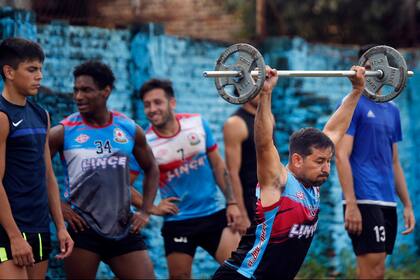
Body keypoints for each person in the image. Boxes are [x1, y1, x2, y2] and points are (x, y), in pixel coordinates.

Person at [212, 65, 367, 279]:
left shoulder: (312, 182)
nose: (326, 168)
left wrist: (356, 91)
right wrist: (265, 93)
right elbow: (264, 144)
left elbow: (334, 130)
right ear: (297, 160)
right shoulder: (279, 183)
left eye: (329, 161)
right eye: (320, 161)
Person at [48, 60, 159, 279]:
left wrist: (145, 211)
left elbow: (152, 168)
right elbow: (34, 170)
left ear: (105, 92)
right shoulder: (63, 132)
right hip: (83, 230)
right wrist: (59, 206)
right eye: (76, 90)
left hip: (123, 227)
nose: (78, 96)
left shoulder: (127, 128)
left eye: (86, 90)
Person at [139, 78, 242, 279]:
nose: (152, 109)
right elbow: (124, 182)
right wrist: (150, 207)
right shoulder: (146, 142)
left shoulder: (196, 124)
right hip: (179, 221)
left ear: (172, 103)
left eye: (157, 102)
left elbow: (218, 166)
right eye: (147, 105)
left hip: (213, 214)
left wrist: (232, 202)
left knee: (241, 271)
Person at [335, 45, 415, 279]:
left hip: (387, 199)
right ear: (361, 68)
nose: (373, 72)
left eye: (377, 67)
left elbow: (394, 162)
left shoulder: (392, 110)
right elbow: (341, 155)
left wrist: (407, 205)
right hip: (363, 198)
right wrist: (351, 203)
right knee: (371, 267)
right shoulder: (353, 103)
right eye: (368, 67)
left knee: (379, 270)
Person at [0, 37, 74, 279]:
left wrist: (60, 226)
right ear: (9, 72)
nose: (39, 76)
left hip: (39, 226)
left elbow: (48, 175)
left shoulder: (41, 115)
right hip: (8, 228)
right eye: (32, 69)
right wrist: (13, 235)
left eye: (40, 69)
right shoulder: (2, 117)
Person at [223, 95, 260, 234]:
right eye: (256, 86)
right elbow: (231, 172)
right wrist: (241, 213)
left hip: (267, 200)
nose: (261, 90)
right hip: (248, 202)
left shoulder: (268, 118)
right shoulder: (235, 124)